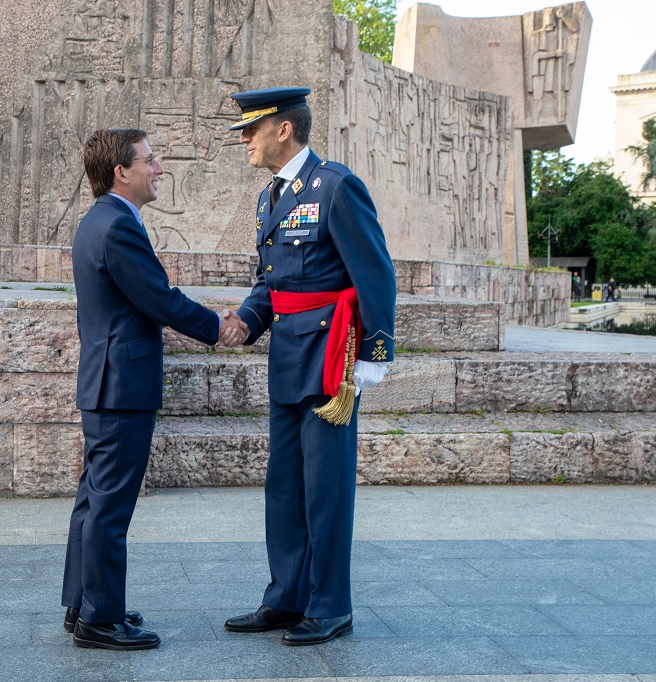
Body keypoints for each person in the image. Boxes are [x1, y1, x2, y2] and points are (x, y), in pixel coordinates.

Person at [221, 87, 396, 646]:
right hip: (289, 354)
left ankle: (330, 604)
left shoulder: (336, 186)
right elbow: (270, 284)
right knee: (285, 486)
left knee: (325, 487)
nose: (244, 139)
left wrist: (374, 353)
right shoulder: (269, 198)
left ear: (284, 130)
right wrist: (248, 320)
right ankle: (287, 598)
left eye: (251, 129)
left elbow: (376, 273)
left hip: (332, 359)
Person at [61, 128, 248, 650]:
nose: (159, 168)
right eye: (150, 160)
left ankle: (84, 604)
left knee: (95, 499)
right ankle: (100, 618)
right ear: (122, 171)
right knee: (110, 506)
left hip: (107, 381)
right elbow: (159, 299)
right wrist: (219, 327)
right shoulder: (117, 226)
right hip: (121, 384)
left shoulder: (101, 220)